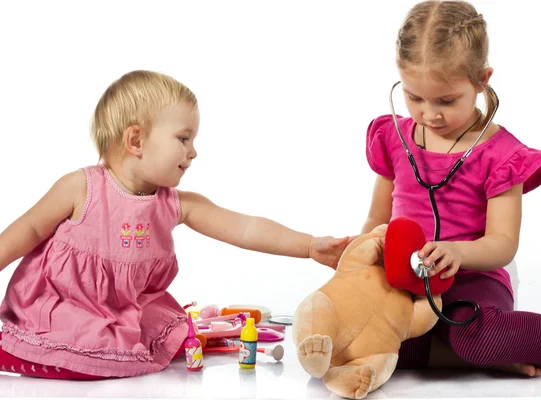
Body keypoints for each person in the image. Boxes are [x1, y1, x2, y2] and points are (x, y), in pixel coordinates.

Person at [0, 70, 352, 379]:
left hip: (123, 312)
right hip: (68, 305)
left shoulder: (174, 204)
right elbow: (30, 229)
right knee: (68, 341)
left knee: (152, 342)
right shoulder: (82, 188)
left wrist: (308, 246)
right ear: (136, 141)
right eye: (184, 139)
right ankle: (28, 354)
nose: (193, 151)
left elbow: (244, 228)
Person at [361, 0, 541, 377]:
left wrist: (458, 252)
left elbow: (502, 244)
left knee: (476, 335)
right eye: (414, 97)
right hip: (407, 280)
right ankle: (479, 359)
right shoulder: (393, 138)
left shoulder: (502, 155)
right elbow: (377, 219)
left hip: (474, 278)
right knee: (367, 340)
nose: (429, 113)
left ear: (482, 80)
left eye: (446, 100)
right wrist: (359, 264)